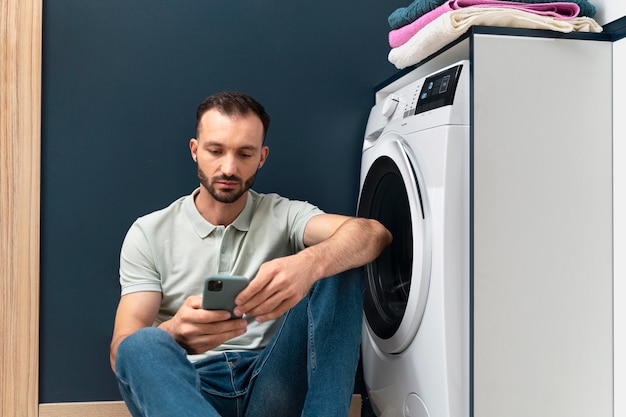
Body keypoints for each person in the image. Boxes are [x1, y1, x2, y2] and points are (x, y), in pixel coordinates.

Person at [110, 91, 392, 417]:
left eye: (244, 154)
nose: (229, 168)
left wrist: (309, 264)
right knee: (139, 344)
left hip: (270, 381)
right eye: (216, 151)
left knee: (341, 255)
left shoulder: (283, 214)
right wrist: (174, 334)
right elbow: (122, 353)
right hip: (190, 390)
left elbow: (374, 233)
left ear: (262, 157)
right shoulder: (149, 233)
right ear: (195, 150)